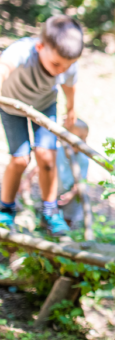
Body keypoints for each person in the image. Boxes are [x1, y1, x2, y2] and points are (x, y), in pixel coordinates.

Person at [0, 15, 84, 235]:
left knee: (47, 156)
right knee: (20, 159)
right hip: (11, 107)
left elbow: (69, 85)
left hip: (44, 107)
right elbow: (4, 66)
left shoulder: (66, 64)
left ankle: (50, 210)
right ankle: (6, 208)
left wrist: (71, 108)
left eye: (66, 66)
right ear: (40, 47)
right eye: (56, 64)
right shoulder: (22, 51)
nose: (59, 70)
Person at [56, 119, 90, 227]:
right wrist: (27, 181)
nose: (83, 142)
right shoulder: (56, 152)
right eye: (80, 138)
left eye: (85, 138)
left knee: (76, 200)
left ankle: (66, 226)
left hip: (71, 192)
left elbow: (81, 181)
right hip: (55, 190)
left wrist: (70, 194)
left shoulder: (83, 160)